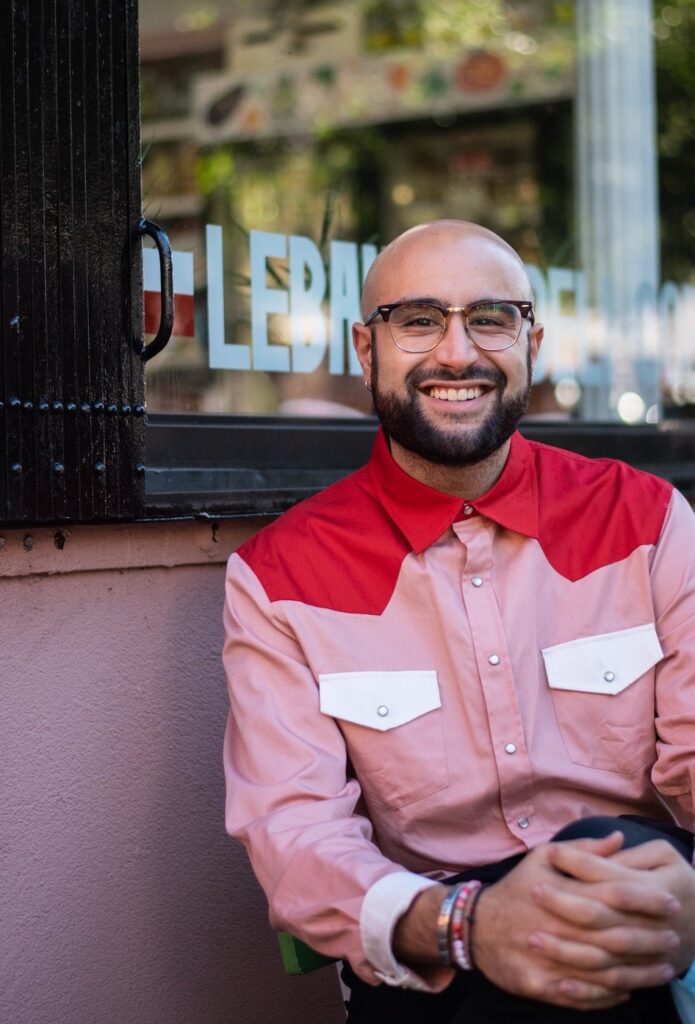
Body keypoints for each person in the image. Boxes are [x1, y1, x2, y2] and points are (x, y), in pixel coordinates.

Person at [222, 220, 695, 1022]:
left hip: (639, 910)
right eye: (417, 320)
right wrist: (470, 926)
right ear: (365, 351)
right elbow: (296, 836)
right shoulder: (280, 575)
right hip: (438, 952)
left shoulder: (645, 520)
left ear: (530, 343)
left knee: (596, 872)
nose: (455, 353)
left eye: (488, 318)